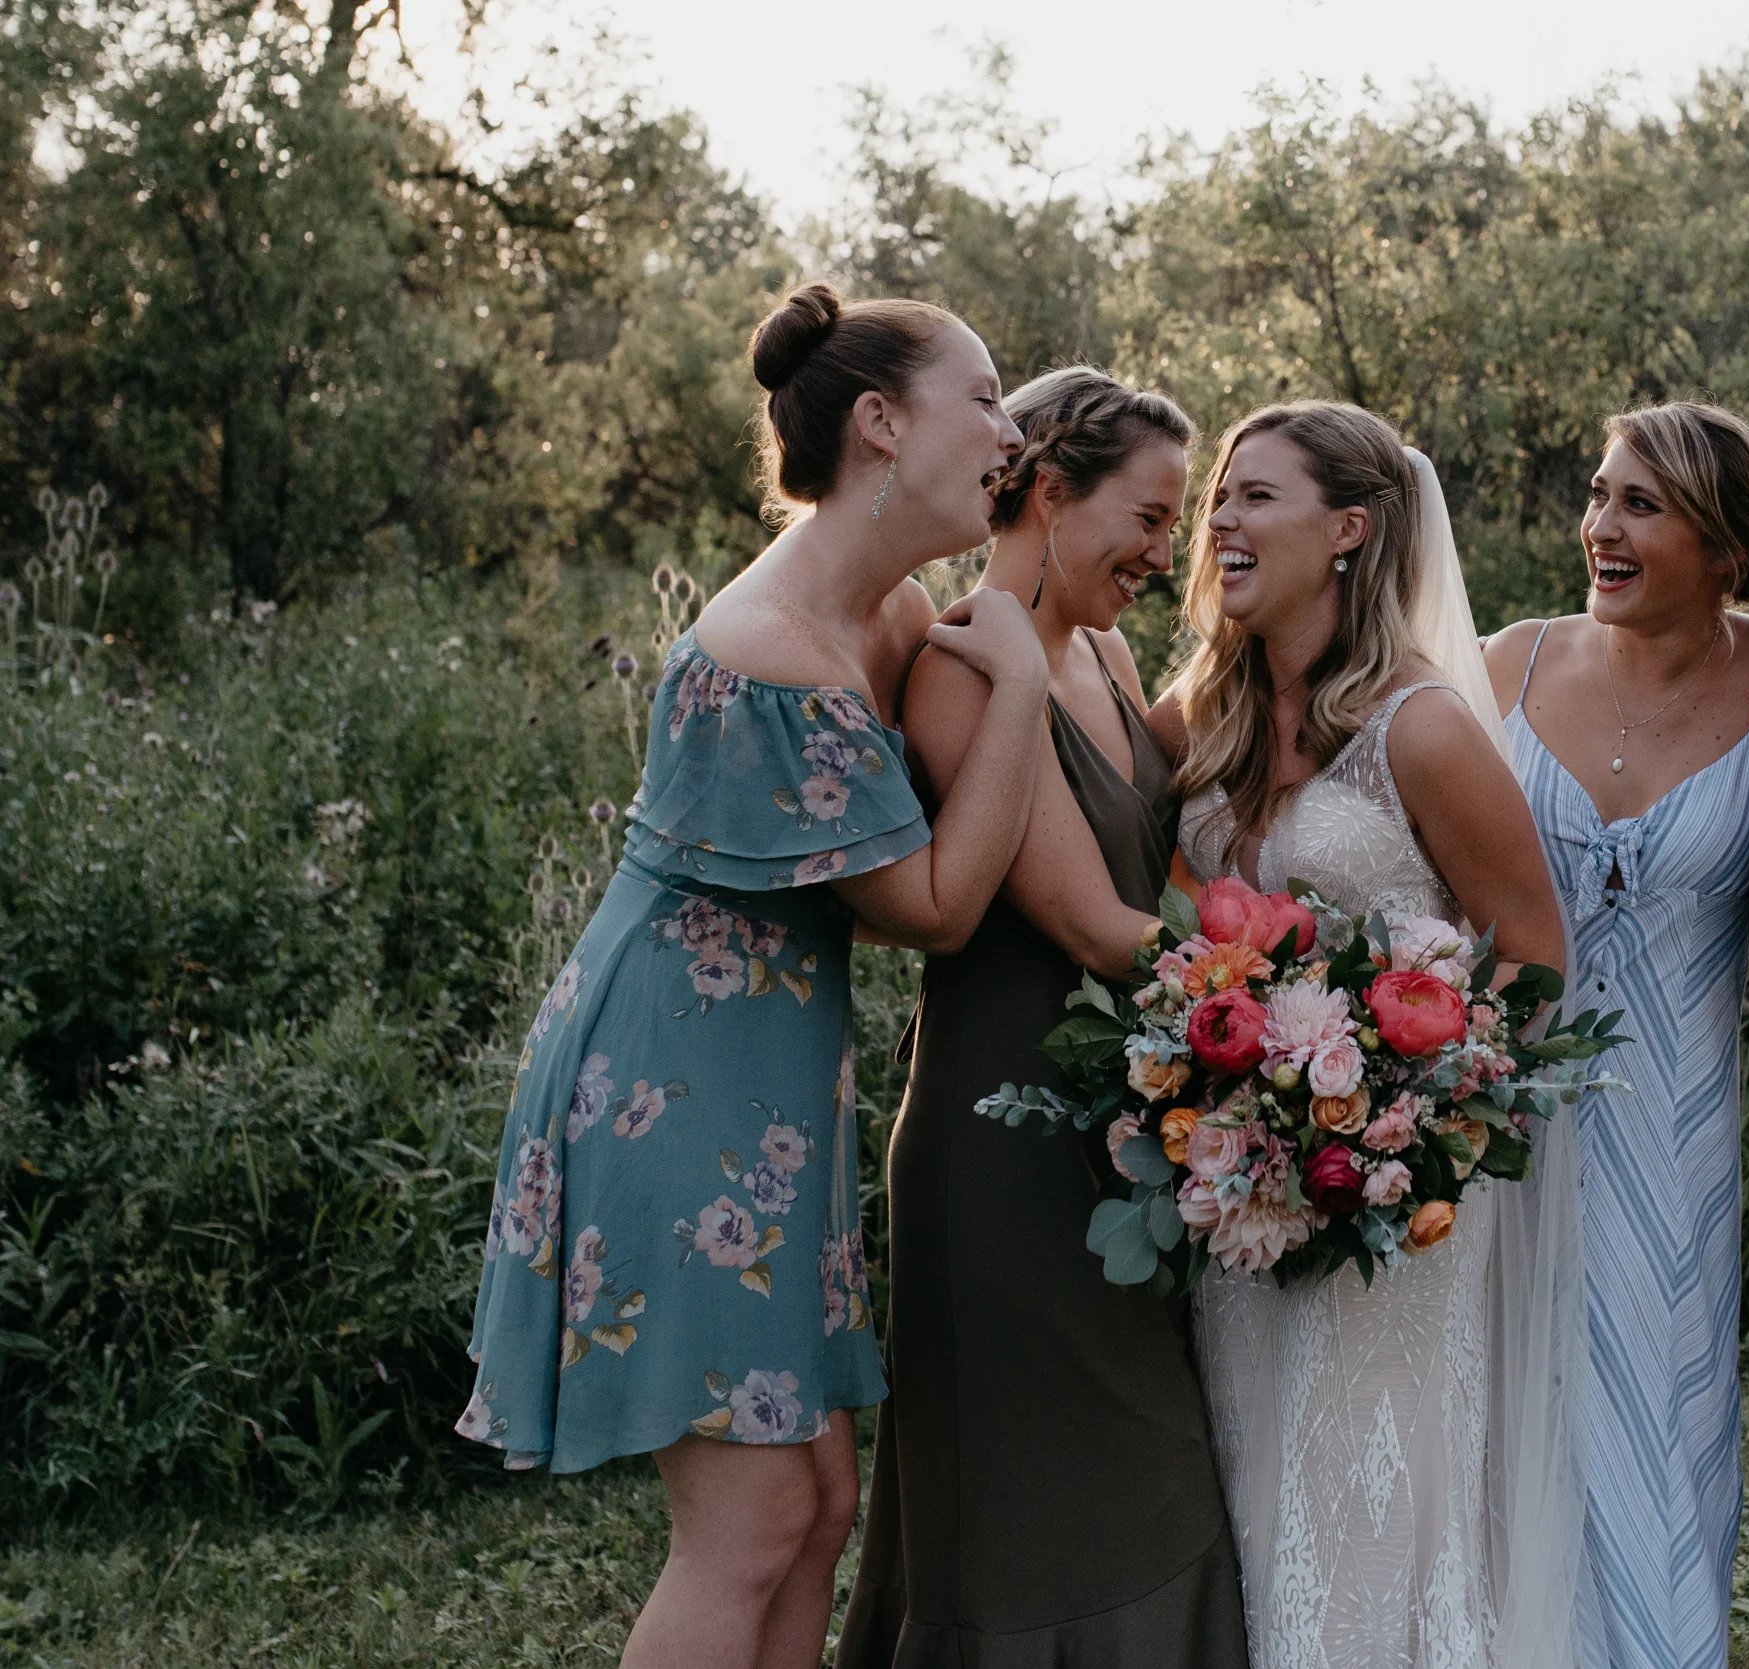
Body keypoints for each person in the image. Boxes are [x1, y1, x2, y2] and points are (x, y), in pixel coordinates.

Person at [460, 283, 1050, 1669]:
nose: (1009, 430)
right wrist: (1020, 686)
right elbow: (937, 903)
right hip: (672, 1086)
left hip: (762, 1096)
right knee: (753, 1518)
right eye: (985, 397)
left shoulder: (885, 612)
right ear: (883, 424)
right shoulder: (769, 658)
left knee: (821, 1499)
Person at [838, 368, 1250, 1666]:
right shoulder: (966, 663)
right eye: (1146, 516)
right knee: (1038, 1507)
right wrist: (1314, 997)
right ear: (1053, 491)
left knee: (1154, 1464)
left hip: (1118, 1132)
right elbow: (1088, 920)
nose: (1160, 553)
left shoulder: (1111, 654)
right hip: (999, 1147)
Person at [1159, 401, 1572, 1669]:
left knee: (1369, 1491)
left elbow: (1531, 949)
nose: (1221, 519)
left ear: (1348, 529)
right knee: (1253, 1469)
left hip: (1397, 1197)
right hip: (1245, 1182)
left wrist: (1419, 1111)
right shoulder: (1199, 718)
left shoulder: (1422, 726)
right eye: (1218, 497)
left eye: (1255, 496)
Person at [1480, 401, 1749, 1669]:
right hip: (1500, 1118)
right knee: (1508, 1421)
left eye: (1639, 506)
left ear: (1723, 545)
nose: (1600, 526)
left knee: (1658, 1434)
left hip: (1672, 1140)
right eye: (1600, 495)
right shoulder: (1506, 660)